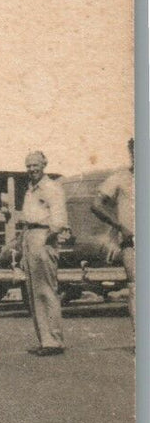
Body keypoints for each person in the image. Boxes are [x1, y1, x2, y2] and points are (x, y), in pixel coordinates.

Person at [20, 150, 70, 355]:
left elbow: (58, 221)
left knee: (46, 290)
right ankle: (45, 340)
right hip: (30, 236)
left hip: (43, 236)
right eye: (28, 166)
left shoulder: (52, 188)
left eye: (35, 165)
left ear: (44, 165)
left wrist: (46, 241)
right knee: (33, 293)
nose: (32, 169)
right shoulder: (31, 190)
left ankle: (54, 341)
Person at [92, 137, 135, 332]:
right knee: (137, 288)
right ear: (131, 153)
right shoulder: (120, 177)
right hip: (132, 242)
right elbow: (96, 205)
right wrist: (119, 226)